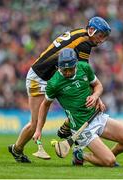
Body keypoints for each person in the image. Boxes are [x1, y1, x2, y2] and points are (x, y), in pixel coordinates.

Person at [8, 16, 111, 163]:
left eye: (104, 37)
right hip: (40, 77)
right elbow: (83, 74)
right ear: (92, 30)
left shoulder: (80, 33)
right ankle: (17, 149)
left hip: (54, 75)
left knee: (80, 102)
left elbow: (81, 75)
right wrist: (97, 96)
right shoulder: (84, 44)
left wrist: (95, 95)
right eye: (100, 36)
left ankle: (66, 127)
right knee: (35, 124)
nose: (101, 40)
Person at [33, 48, 123, 167]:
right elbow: (44, 105)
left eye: (71, 69)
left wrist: (95, 96)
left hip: (97, 116)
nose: (68, 72)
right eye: (64, 70)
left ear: (76, 64)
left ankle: (106, 156)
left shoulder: (84, 67)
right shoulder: (54, 83)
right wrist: (38, 129)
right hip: (81, 128)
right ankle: (80, 155)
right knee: (109, 162)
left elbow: (98, 85)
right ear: (59, 67)